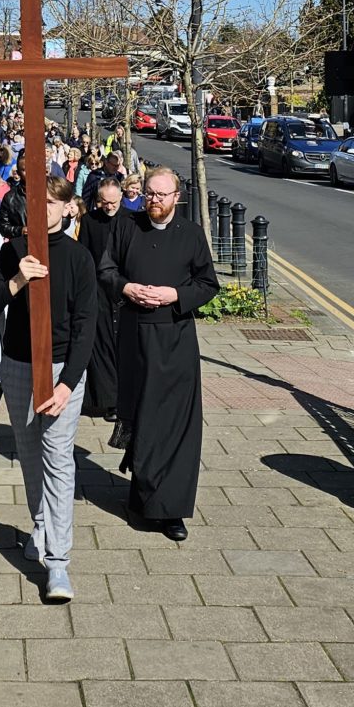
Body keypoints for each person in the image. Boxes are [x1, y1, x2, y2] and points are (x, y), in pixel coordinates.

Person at [0, 177, 97, 602]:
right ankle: (40, 522)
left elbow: (87, 328)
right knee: (29, 454)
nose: (41, 208)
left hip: (62, 368)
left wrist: (68, 384)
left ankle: (59, 564)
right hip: (17, 365)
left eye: (51, 202)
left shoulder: (80, 258)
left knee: (59, 459)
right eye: (36, 201)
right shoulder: (12, 250)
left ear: (66, 208)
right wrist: (15, 281)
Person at [100, 167, 217, 541]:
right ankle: (143, 496)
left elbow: (207, 283)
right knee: (145, 420)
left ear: (177, 197)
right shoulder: (126, 226)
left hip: (176, 338)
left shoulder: (191, 234)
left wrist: (176, 296)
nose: (154, 201)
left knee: (177, 425)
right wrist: (128, 287)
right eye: (149, 194)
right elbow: (105, 269)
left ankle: (172, 512)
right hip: (135, 337)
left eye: (162, 195)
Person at [77, 175, 124, 424]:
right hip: (98, 290)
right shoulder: (89, 221)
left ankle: (122, 398)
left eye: (113, 203)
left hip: (124, 290)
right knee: (101, 344)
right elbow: (84, 254)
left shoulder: (130, 220)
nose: (109, 207)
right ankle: (107, 401)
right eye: (105, 202)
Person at [0, 149, 28, 237]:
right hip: (21, 243)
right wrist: (20, 230)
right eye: (25, 170)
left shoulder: (49, 191)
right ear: (18, 173)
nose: (30, 172)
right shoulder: (10, 197)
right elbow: (2, 226)